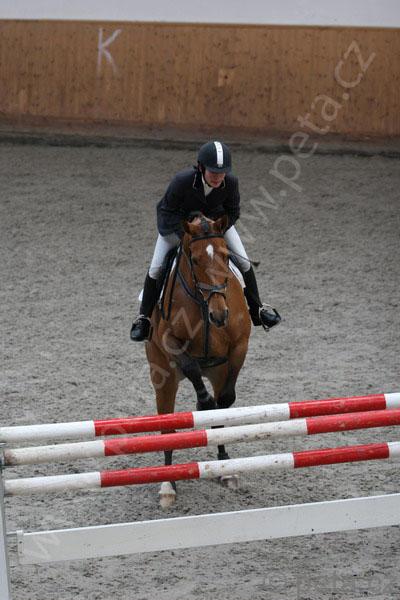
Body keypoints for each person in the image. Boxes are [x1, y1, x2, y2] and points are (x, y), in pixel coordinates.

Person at [130, 140, 280, 341]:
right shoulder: (182, 181)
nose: (218, 177)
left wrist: (215, 231)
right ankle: (144, 318)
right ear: (201, 168)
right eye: (213, 172)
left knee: (244, 262)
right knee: (156, 268)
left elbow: (233, 212)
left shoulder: (231, 182)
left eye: (222, 173)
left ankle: (258, 310)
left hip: (215, 228)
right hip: (179, 228)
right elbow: (166, 212)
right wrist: (188, 234)